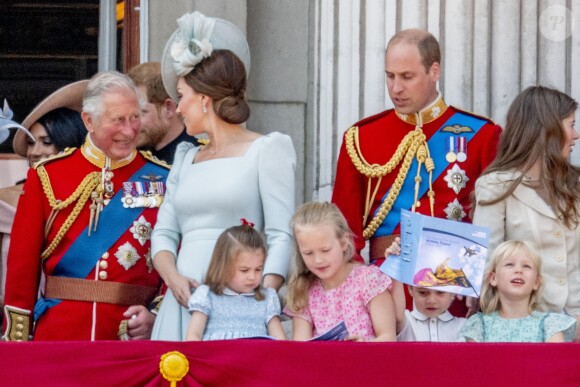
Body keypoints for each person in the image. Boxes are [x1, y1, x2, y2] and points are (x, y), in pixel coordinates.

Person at [151, 11, 295, 341]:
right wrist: (173, 278)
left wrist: (259, 299)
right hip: (182, 302)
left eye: (182, 96)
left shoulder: (268, 149)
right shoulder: (185, 158)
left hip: (242, 306)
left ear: (204, 100)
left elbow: (280, 234)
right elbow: (163, 232)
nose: (178, 108)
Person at [2, 71, 169, 341]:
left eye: (135, 117)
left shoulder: (165, 179)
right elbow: (22, 268)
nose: (129, 130)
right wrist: (17, 343)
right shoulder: (48, 176)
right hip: (59, 337)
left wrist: (157, 316)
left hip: (130, 340)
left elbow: (178, 260)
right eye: (118, 120)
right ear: (88, 121)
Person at [331, 29, 501, 267]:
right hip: (384, 285)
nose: (396, 88)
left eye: (407, 77)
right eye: (390, 76)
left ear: (434, 71)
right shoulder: (361, 137)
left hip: (455, 286)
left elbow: (496, 227)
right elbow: (344, 232)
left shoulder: (482, 135)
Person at [472, 85, 580, 341]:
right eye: (570, 125)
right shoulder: (495, 186)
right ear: (547, 130)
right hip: (526, 330)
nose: (575, 135)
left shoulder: (576, 187)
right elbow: (486, 262)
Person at [0, 87, 87, 326]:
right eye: (30, 143)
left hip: (64, 320)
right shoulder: (3, 201)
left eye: (46, 142)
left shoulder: (91, 200)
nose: (35, 152)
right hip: (10, 321)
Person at [284, 201, 397, 342]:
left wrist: (365, 346)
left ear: (343, 243)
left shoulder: (369, 279)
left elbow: (388, 338)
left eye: (325, 250)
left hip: (367, 362)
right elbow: (300, 349)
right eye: (308, 253)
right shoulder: (304, 290)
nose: (318, 260)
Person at [186, 222, 286, 341]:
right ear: (223, 266)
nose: (252, 276)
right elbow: (193, 336)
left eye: (258, 269)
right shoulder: (207, 296)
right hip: (217, 358)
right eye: (244, 270)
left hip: (255, 358)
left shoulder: (267, 298)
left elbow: (280, 341)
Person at [460, 240, 576, 342]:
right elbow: (475, 364)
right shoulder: (480, 325)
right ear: (493, 278)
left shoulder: (550, 325)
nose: (519, 270)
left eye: (526, 266)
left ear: (536, 282)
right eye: (509, 264)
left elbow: (556, 365)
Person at [127, 61, 200, 164]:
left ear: (169, 109)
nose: (129, 126)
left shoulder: (195, 160)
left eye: (138, 114)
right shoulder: (131, 157)